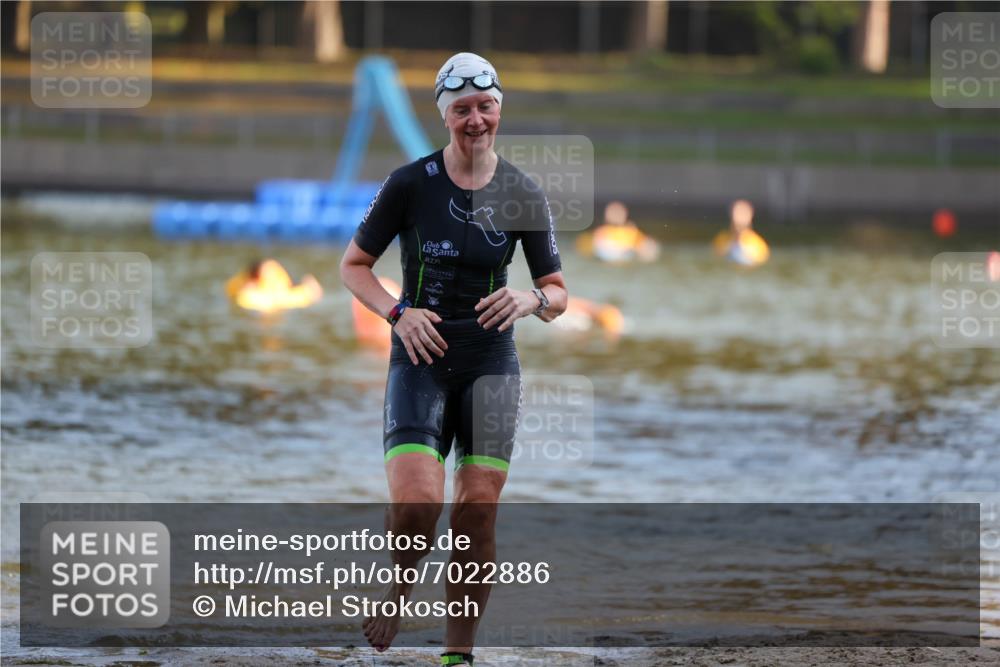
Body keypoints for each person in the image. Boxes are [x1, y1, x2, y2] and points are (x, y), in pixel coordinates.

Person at [339, 52, 568, 666]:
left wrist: (531, 299)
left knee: (477, 512)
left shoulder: (522, 192)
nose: (475, 120)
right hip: (419, 357)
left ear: (499, 110)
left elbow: (558, 293)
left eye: (485, 107)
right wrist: (397, 312)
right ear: (444, 115)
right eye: (462, 109)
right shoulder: (409, 184)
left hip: (491, 362)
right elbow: (353, 267)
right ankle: (398, 588)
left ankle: (456, 656)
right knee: (418, 503)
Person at [225, 258, 323, 312]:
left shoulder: (274, 278)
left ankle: (309, 283)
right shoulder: (241, 282)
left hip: (284, 293)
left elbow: (280, 294)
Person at [712, 199, 770, 267]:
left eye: (743, 214)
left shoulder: (758, 246)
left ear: (750, 218)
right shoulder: (721, 240)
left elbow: (759, 263)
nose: (739, 218)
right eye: (737, 214)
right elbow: (716, 259)